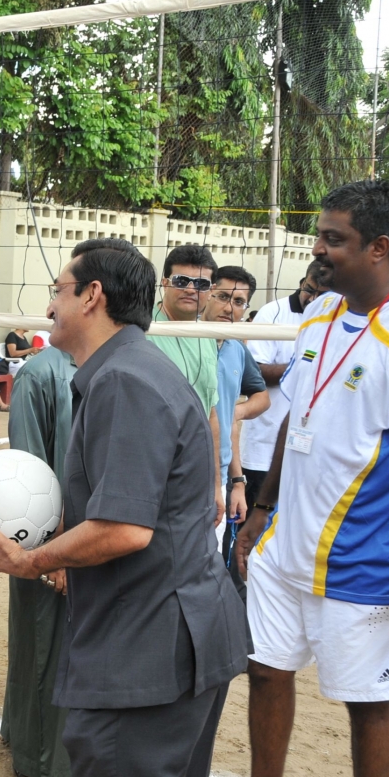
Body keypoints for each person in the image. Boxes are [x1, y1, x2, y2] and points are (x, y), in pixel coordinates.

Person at [201, 180, 389, 777]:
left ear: (378, 248)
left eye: (334, 239)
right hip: (285, 546)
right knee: (266, 672)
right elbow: (300, 414)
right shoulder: (321, 312)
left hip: (368, 563)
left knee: (367, 703)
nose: (317, 249)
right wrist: (261, 510)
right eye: (320, 234)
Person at [0, 237, 248, 777]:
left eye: (58, 291)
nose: (47, 307)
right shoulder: (127, 371)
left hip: (146, 655)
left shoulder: (124, 379)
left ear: (92, 296)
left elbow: (124, 529)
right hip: (167, 639)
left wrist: (34, 560)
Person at [0, 242, 84, 777]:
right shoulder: (41, 375)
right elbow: (28, 475)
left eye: (60, 292)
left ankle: (37, 743)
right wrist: (54, 551)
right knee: (43, 645)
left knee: (78, 651)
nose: (51, 306)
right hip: (52, 544)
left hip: (101, 542)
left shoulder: (120, 367)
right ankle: (40, 759)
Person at [239, 261, 331, 509]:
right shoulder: (273, 313)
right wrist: (306, 368)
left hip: (312, 449)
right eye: (310, 290)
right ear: (303, 283)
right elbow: (255, 372)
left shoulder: (336, 317)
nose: (313, 300)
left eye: (323, 295)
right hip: (264, 446)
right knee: (254, 520)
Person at [202, 266, 270, 593]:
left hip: (220, 478)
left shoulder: (236, 348)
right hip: (178, 474)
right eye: (223, 297)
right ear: (207, 295)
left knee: (213, 570)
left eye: (240, 302)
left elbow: (261, 398)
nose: (230, 308)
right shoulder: (179, 338)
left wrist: (238, 481)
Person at [151, 243, 225, 523]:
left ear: (212, 289)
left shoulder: (207, 336)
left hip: (194, 477)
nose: (192, 289)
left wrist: (216, 484)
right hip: (153, 473)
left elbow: (211, 415)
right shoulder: (140, 330)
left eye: (202, 283)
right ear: (165, 282)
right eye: (182, 281)